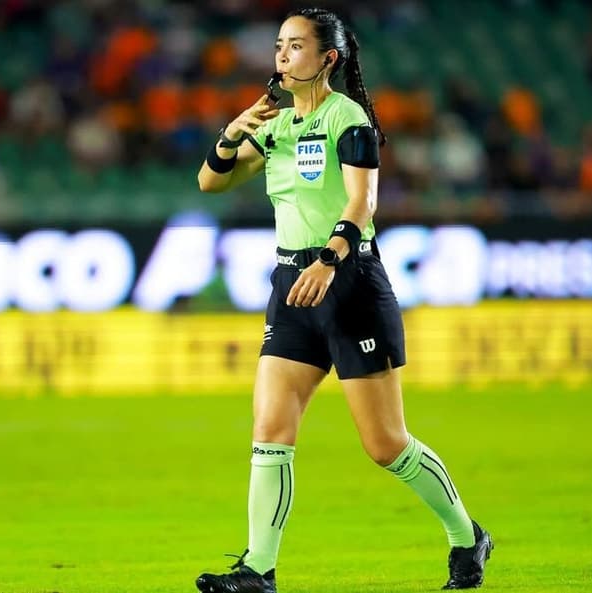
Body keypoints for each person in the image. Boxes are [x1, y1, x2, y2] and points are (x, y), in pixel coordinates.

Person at [195, 8, 493, 592]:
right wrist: (231, 134)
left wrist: (331, 260)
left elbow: (363, 202)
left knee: (384, 445)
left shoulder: (345, 117)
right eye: (279, 45)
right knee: (270, 427)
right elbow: (212, 181)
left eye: (296, 46)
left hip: (348, 281)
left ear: (328, 57)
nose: (282, 55)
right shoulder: (274, 126)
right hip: (291, 286)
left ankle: (467, 535)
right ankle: (259, 569)